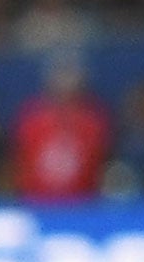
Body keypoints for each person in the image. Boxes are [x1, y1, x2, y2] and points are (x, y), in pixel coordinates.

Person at [9, 54, 112, 203]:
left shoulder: (94, 122)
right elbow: (16, 164)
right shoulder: (31, 120)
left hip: (83, 206)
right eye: (60, 75)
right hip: (35, 204)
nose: (65, 83)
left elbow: (101, 166)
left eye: (70, 75)